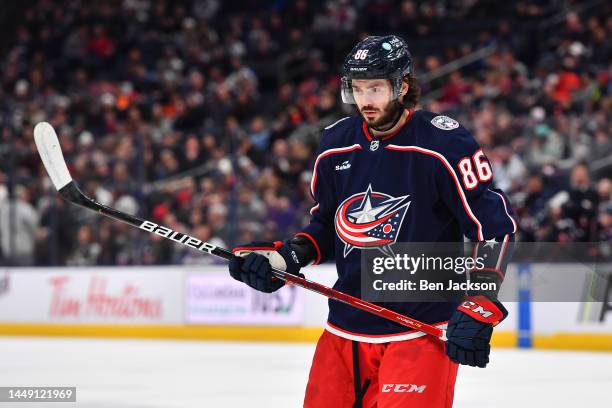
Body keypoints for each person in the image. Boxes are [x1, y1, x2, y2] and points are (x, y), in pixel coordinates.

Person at [228, 35, 516, 408]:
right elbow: (328, 226)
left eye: (376, 88)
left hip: (418, 333)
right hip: (344, 332)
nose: (366, 100)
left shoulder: (445, 144)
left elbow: (493, 227)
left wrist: (480, 300)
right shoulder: (335, 144)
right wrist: (286, 259)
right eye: (358, 88)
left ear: (403, 86)